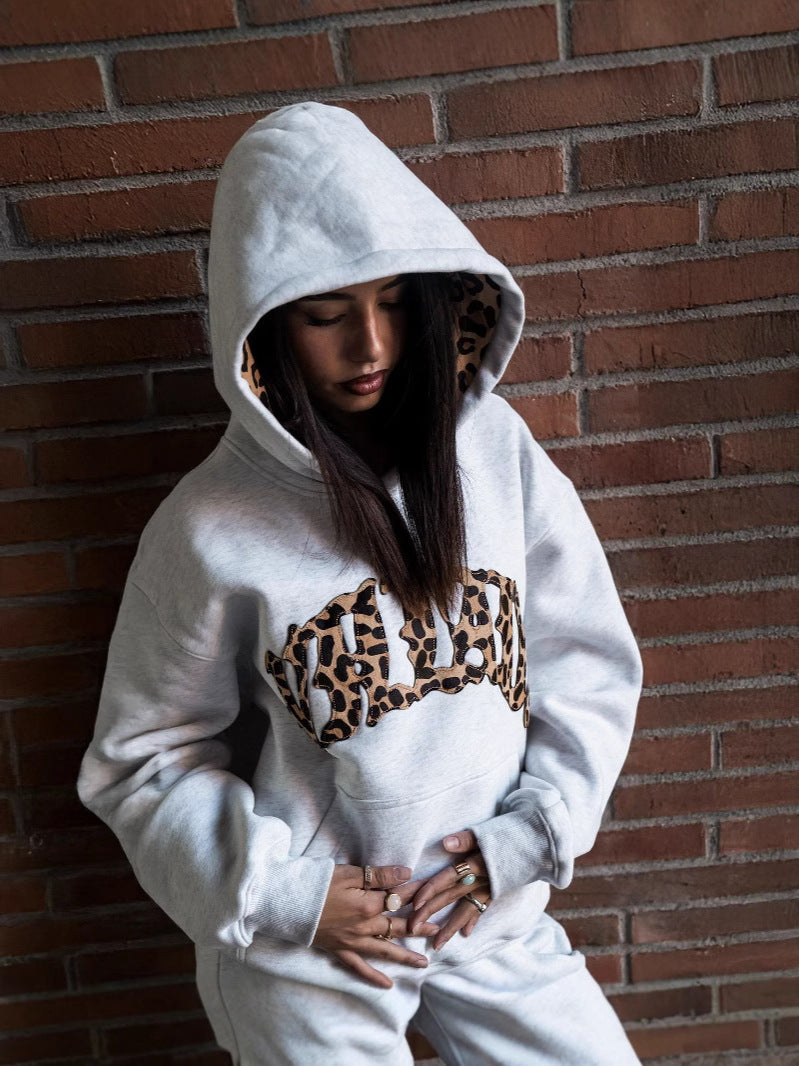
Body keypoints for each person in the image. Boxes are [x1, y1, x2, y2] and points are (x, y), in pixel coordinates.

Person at [77, 101, 644, 1066]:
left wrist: (529, 838)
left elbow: (585, 659)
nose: (370, 346)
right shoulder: (209, 526)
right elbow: (142, 759)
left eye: (391, 303)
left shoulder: (495, 454)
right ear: (265, 324)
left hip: (486, 908)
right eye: (325, 314)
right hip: (315, 943)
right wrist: (285, 896)